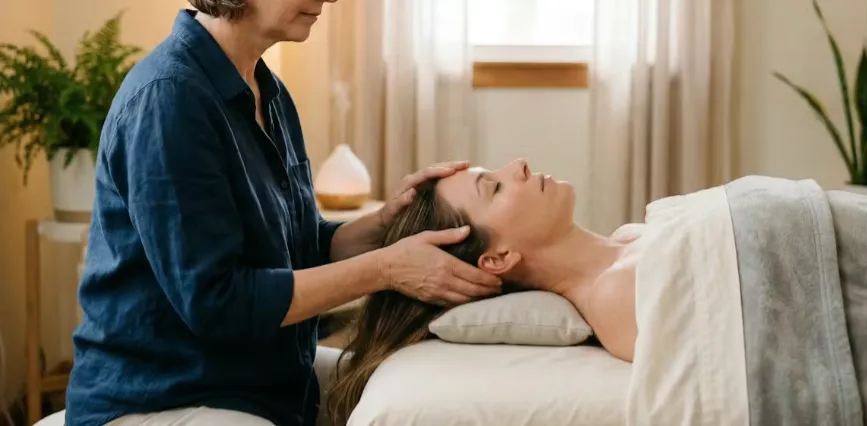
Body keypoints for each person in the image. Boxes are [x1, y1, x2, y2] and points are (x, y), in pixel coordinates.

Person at [64, 2, 502, 426]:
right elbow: (217, 303)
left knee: (421, 395)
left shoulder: (267, 91)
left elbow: (293, 247)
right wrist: (386, 269)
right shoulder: (169, 100)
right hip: (162, 396)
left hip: (256, 382)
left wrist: (382, 226)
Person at [327, 158, 645, 424]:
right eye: (494, 188)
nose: (519, 165)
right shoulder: (618, 295)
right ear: (498, 259)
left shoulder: (628, 240)